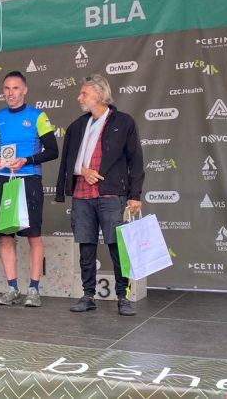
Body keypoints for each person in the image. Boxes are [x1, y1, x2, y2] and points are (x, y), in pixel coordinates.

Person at [55, 74, 144, 316]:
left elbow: (136, 160)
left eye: (84, 93)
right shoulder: (77, 126)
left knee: (117, 246)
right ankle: (88, 295)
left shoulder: (123, 122)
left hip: (112, 194)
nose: (79, 98)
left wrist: (135, 195)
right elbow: (68, 162)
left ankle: (123, 297)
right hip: (82, 195)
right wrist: (82, 171)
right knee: (86, 246)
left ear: (100, 94)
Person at [0, 71, 58, 307]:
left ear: (25, 90)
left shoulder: (37, 116)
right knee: (5, 235)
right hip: (4, 179)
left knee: (33, 235)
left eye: (15, 88)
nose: (11, 93)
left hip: (28, 179)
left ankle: (33, 289)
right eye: (7, 88)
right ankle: (12, 288)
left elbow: (53, 150)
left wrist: (26, 160)